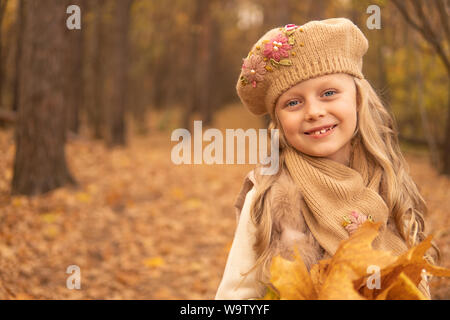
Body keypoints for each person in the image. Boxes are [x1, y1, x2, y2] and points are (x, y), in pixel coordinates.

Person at [215, 18, 439, 300]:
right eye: (293, 102)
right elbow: (236, 296)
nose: (313, 111)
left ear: (357, 99)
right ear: (279, 120)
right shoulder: (268, 193)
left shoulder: (388, 181)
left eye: (329, 93)